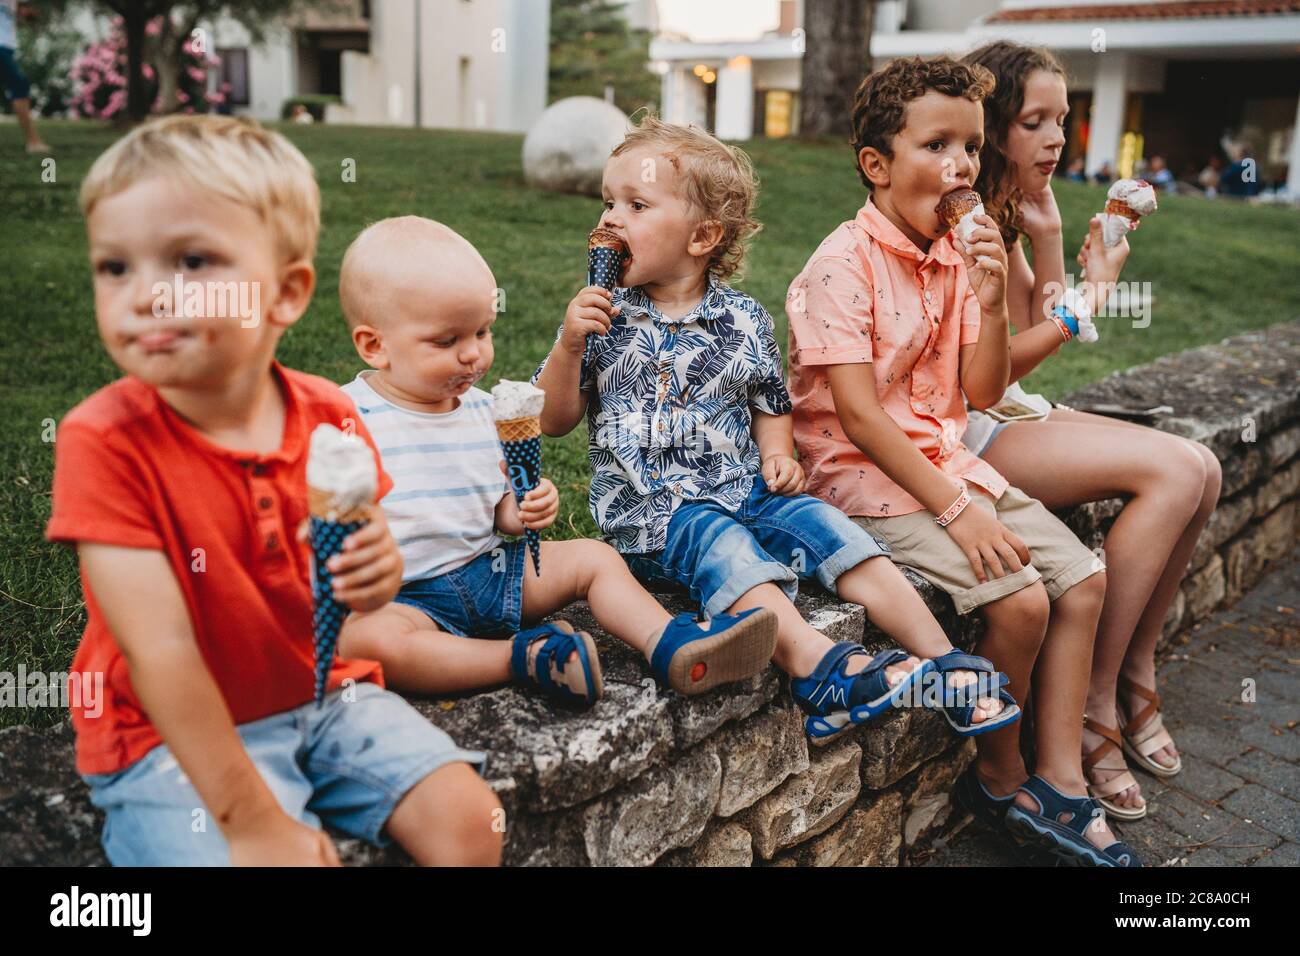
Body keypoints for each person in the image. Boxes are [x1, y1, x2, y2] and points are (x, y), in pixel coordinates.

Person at [47, 115, 502, 866]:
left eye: (191, 260)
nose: (146, 294)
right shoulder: (107, 442)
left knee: (468, 822)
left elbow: (370, 561)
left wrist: (378, 572)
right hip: (168, 734)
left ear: (287, 293)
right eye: (115, 267)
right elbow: (159, 649)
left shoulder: (327, 414)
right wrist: (250, 821)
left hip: (325, 694)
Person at [534, 116, 1020, 744]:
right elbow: (555, 418)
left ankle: (941, 660)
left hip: (744, 490)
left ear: (704, 235)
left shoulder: (742, 319)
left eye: (636, 205)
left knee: (825, 527)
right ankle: (821, 668)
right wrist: (571, 344)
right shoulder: (601, 316)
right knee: (727, 549)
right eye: (608, 202)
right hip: (657, 517)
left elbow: (769, 402)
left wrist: (777, 452)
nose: (610, 221)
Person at [787, 55, 1138, 866]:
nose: (961, 166)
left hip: (946, 460)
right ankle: (1000, 774)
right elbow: (861, 420)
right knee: (1021, 604)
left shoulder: (957, 257)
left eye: (973, 148)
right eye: (936, 144)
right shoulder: (840, 266)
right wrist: (955, 509)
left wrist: (987, 299)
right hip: (863, 477)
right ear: (877, 165)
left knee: (1081, 580)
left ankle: (1061, 776)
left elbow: (977, 394)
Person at [334, 216, 780, 706]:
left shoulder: (488, 410)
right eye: (447, 341)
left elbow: (500, 507)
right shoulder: (344, 417)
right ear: (374, 345)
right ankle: (526, 657)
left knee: (594, 558)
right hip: (406, 597)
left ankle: (671, 642)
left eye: (482, 332)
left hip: (489, 572)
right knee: (366, 643)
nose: (473, 355)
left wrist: (523, 506)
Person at [960, 40, 1221, 819]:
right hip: (965, 426)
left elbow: (1024, 339)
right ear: (992, 127)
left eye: (1062, 121)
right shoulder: (965, 215)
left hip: (1003, 409)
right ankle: (1094, 710)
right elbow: (1001, 370)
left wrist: (1048, 237)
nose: (1054, 139)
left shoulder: (1010, 206)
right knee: (1174, 470)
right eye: (1032, 121)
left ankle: (1137, 666)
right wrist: (1091, 298)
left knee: (1203, 464)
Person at [1, 0, 51, 153]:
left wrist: (27, 15)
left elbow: (24, 15)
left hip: (6, 47)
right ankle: (33, 142)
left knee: (18, 85)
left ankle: (33, 141)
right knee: (19, 85)